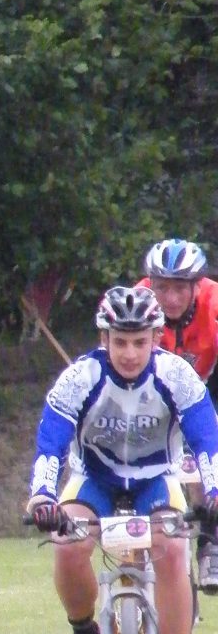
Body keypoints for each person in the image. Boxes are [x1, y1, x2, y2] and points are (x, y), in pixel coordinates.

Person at [25, 285, 218, 634]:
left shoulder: (177, 376)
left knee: (171, 548)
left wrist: (214, 491)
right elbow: (50, 442)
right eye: (120, 342)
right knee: (69, 543)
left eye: (139, 342)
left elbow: (207, 439)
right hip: (95, 478)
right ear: (104, 340)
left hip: (155, 479)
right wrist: (41, 495)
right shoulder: (80, 377)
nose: (130, 353)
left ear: (155, 339)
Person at [138, 238, 218, 589]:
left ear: (196, 286)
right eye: (162, 288)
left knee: (210, 453)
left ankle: (211, 540)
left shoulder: (214, 304)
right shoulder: (134, 302)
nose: (169, 298)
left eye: (179, 289)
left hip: (207, 386)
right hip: (152, 393)